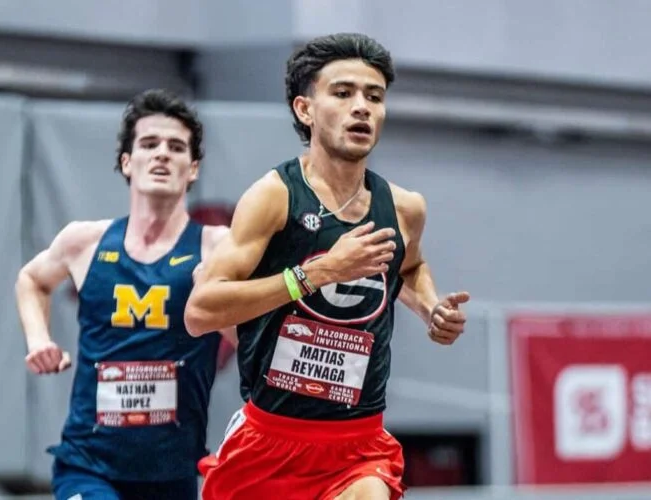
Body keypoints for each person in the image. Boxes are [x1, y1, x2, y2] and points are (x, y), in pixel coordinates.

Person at [184, 33, 470, 500]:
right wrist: (317, 273)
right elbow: (200, 312)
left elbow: (409, 267)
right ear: (305, 109)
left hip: (357, 445)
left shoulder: (405, 208)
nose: (362, 108)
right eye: (343, 93)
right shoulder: (274, 196)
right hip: (269, 441)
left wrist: (431, 308)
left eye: (374, 97)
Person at [15, 88, 236, 500]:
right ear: (126, 162)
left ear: (193, 169)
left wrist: (223, 310)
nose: (162, 154)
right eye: (149, 144)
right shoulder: (84, 241)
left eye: (176, 147)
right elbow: (31, 279)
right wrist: (39, 340)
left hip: (173, 472)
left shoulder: (217, 247)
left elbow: (252, 336)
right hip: (88, 465)